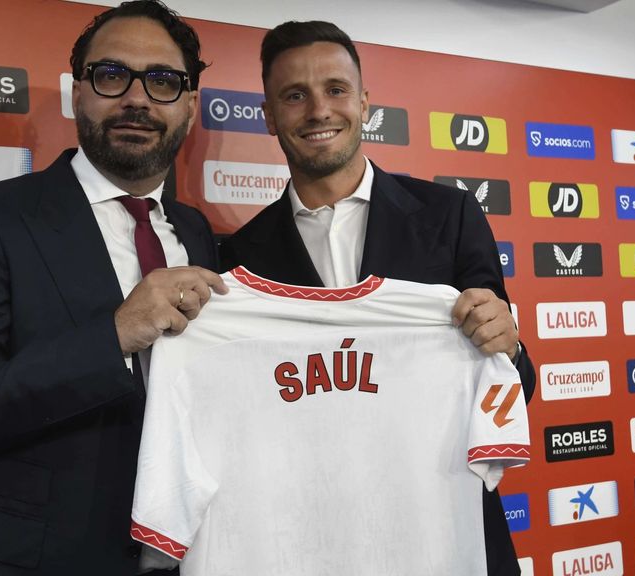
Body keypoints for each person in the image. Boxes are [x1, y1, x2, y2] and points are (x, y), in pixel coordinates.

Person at [0, 2, 224, 574]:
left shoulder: (197, 232)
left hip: (197, 555)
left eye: (163, 81)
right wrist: (115, 336)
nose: (136, 98)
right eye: (111, 76)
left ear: (190, 106)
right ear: (78, 92)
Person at [219, 20, 536, 576]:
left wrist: (508, 350)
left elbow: (515, 386)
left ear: (365, 103)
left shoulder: (450, 217)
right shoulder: (239, 259)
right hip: (309, 541)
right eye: (295, 96)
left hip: (446, 529)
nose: (319, 110)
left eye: (336, 90)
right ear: (268, 116)